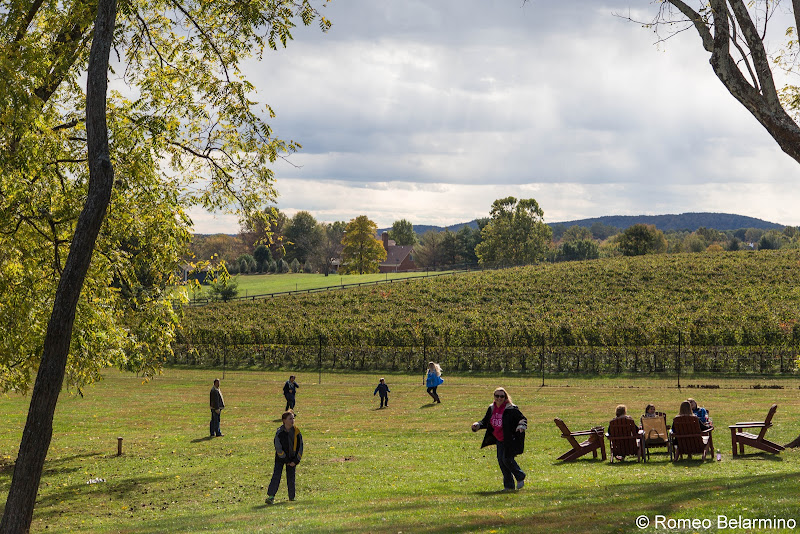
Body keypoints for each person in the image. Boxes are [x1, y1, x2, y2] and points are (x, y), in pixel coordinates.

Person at [471, 387, 527, 491]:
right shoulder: (492, 408)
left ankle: (520, 476)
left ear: (505, 397)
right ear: (494, 397)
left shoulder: (511, 408)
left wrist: (521, 426)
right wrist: (477, 425)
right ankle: (509, 486)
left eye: (502, 396)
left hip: (510, 438)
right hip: (499, 439)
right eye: (497, 396)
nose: (499, 398)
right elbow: (486, 421)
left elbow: (522, 419)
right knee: (501, 462)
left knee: (507, 459)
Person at [265, 411, 304, 504]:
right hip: (281, 458)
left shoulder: (297, 432)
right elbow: (278, 447)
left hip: (292, 458)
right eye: (290, 418)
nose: (292, 420)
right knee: (276, 476)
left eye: (293, 418)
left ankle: (292, 497)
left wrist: (296, 460)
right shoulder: (279, 433)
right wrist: (285, 460)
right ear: (284, 421)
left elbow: (300, 446)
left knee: (291, 477)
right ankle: (271, 496)